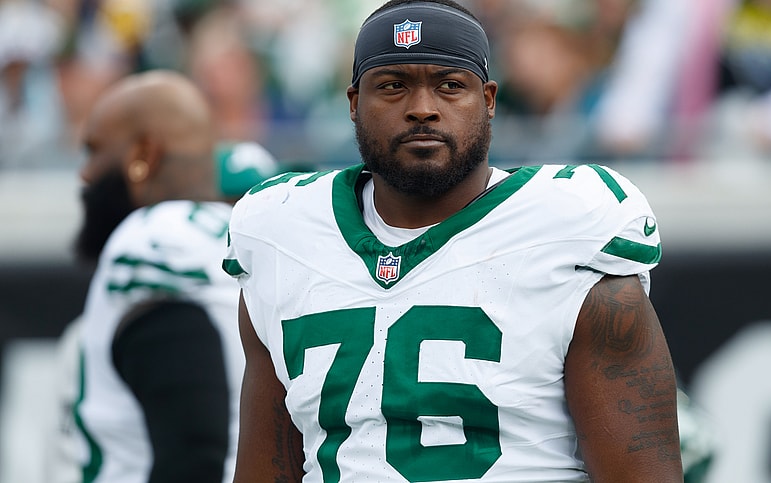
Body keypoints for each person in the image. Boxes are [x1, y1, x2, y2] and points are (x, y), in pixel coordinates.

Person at [223, 0, 683, 481]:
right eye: (393, 86)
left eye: (449, 86)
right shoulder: (282, 234)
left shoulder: (569, 228)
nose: (422, 109)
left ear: (487, 99)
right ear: (355, 102)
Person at [67, 69, 245, 483]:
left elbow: (194, 449)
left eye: (95, 150)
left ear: (143, 156)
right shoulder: (233, 231)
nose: (86, 173)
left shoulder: (154, 244)